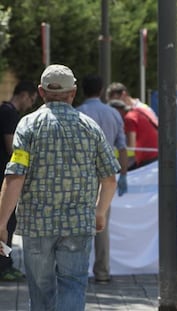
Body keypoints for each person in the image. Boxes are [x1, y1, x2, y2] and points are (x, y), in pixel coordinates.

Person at [0, 64, 120, 310]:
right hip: (77, 224)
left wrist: (1, 223)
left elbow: (16, 176)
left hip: (37, 226)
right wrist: (99, 212)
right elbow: (109, 178)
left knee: (40, 290)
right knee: (73, 285)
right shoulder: (90, 127)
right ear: (73, 93)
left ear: (41, 92)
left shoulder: (28, 125)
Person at [77, 74, 128, 284]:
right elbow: (122, 147)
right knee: (101, 225)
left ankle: (78, 270)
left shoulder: (77, 114)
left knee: (78, 224)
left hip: (81, 175)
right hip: (106, 176)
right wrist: (123, 174)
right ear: (100, 90)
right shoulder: (113, 114)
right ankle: (102, 272)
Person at [0, 80, 37, 282]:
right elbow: (12, 148)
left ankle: (5, 263)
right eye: (31, 99)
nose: (30, 104)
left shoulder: (4, 110)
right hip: (6, 178)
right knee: (7, 224)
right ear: (24, 95)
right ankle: (4, 266)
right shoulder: (10, 114)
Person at [109, 99, 159, 169]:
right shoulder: (139, 110)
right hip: (157, 154)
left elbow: (131, 148)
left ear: (117, 111)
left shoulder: (129, 119)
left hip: (148, 159)